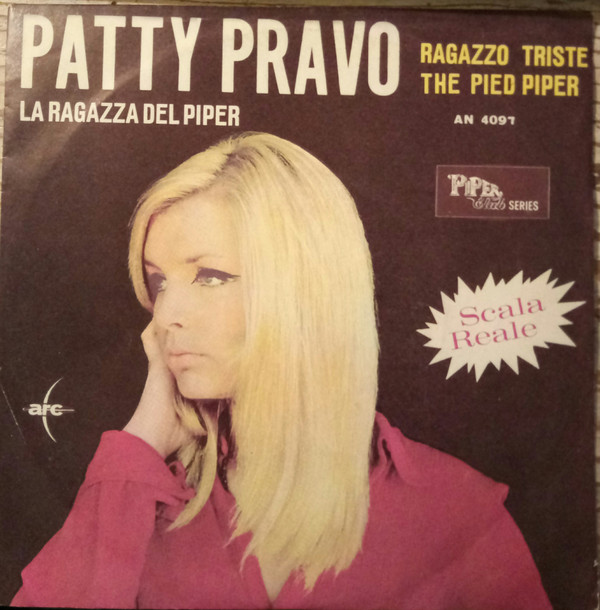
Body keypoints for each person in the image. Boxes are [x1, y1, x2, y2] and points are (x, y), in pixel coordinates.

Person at [12, 133, 551, 609]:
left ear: (307, 290)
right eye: (159, 283)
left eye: (210, 276)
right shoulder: (138, 504)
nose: (165, 315)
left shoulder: (454, 510)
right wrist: (141, 441)